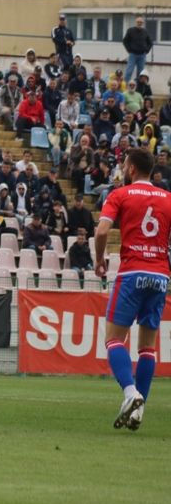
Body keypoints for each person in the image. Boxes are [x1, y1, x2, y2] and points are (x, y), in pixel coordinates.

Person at [94, 148, 171, 431]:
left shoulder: (120, 194)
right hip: (160, 276)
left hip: (132, 273)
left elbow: (102, 231)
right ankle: (140, 409)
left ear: (131, 169)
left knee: (114, 340)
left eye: (124, 165)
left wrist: (100, 260)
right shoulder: (168, 198)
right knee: (148, 347)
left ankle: (130, 393)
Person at [122, 16, 153, 83]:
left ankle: (138, 87)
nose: (139, 23)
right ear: (136, 22)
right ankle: (125, 86)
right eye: (138, 22)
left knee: (140, 73)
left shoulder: (145, 31)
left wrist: (146, 50)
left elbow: (150, 42)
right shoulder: (130, 30)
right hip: (133, 54)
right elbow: (125, 41)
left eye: (141, 22)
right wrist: (129, 50)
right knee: (129, 71)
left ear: (143, 23)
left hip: (142, 55)